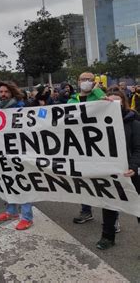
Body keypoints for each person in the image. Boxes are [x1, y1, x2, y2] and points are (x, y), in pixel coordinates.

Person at [96, 90, 140, 250]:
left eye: (117, 101)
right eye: (110, 102)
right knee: (109, 205)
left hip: (131, 173)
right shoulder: (98, 124)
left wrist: (133, 167)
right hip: (109, 172)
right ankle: (107, 237)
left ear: (123, 103)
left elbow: (138, 149)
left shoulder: (134, 124)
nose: (113, 105)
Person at [68, 72, 107, 224]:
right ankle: (86, 211)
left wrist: (97, 90)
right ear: (78, 82)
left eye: (89, 80)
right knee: (83, 182)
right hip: (80, 148)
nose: (86, 82)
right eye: (83, 79)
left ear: (94, 82)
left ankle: (112, 218)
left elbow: (107, 103)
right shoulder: (71, 100)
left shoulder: (100, 97)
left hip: (100, 147)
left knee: (105, 182)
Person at [0, 81, 33, 230]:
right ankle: (11, 211)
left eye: (6, 92)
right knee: (8, 181)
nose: (3, 94)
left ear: (12, 93)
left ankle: (27, 217)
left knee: (23, 182)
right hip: (3, 150)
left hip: (19, 151)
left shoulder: (20, 107)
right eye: (1, 92)